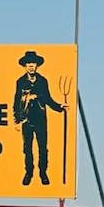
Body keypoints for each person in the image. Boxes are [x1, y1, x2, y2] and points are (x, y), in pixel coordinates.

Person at [12, 50, 67, 185]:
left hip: (40, 119)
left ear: (37, 65)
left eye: (33, 63)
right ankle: (29, 172)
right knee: (27, 148)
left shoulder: (42, 81)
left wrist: (59, 107)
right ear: (25, 66)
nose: (31, 66)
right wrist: (16, 120)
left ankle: (43, 172)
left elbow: (48, 98)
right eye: (28, 63)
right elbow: (16, 101)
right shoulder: (20, 82)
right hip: (26, 119)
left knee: (43, 147)